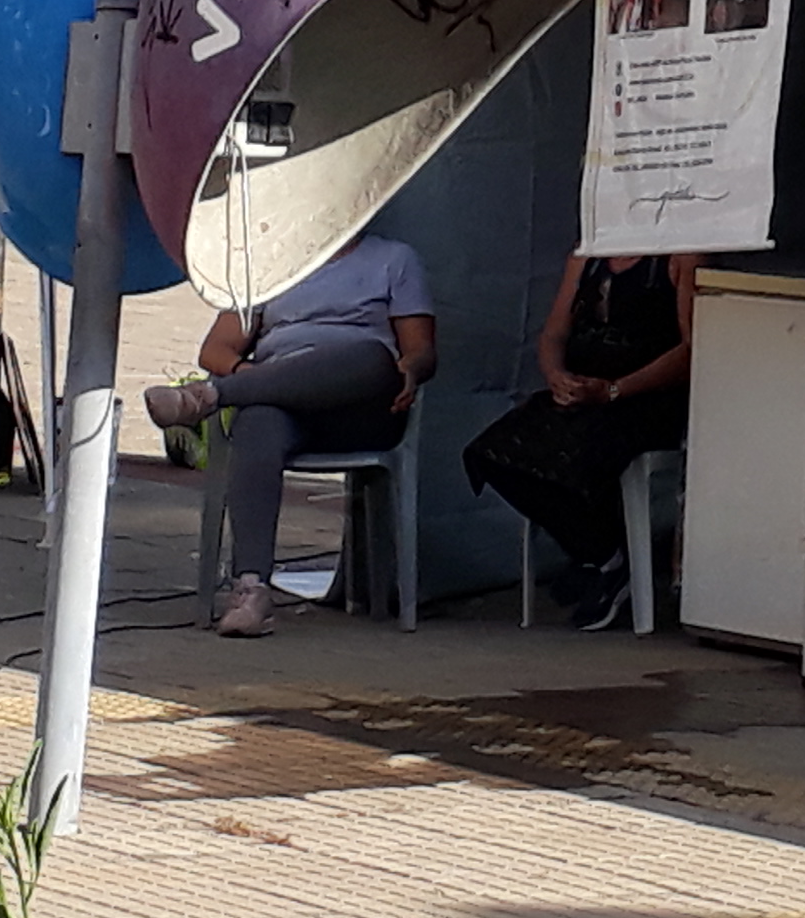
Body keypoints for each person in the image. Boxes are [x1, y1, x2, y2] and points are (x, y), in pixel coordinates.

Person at [149, 230, 438, 639]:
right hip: (285, 406)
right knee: (257, 420)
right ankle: (251, 589)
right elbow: (216, 349)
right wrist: (253, 376)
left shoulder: (394, 259)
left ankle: (209, 396)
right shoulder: (272, 262)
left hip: (361, 407)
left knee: (374, 358)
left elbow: (421, 350)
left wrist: (410, 369)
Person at [465, 253, 698, 628]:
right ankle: (603, 556)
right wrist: (557, 376)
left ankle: (607, 564)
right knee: (494, 453)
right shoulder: (587, 254)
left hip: (644, 398)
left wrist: (614, 390)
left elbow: (691, 348)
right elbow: (555, 333)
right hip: (586, 394)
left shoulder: (680, 256)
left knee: (578, 451)